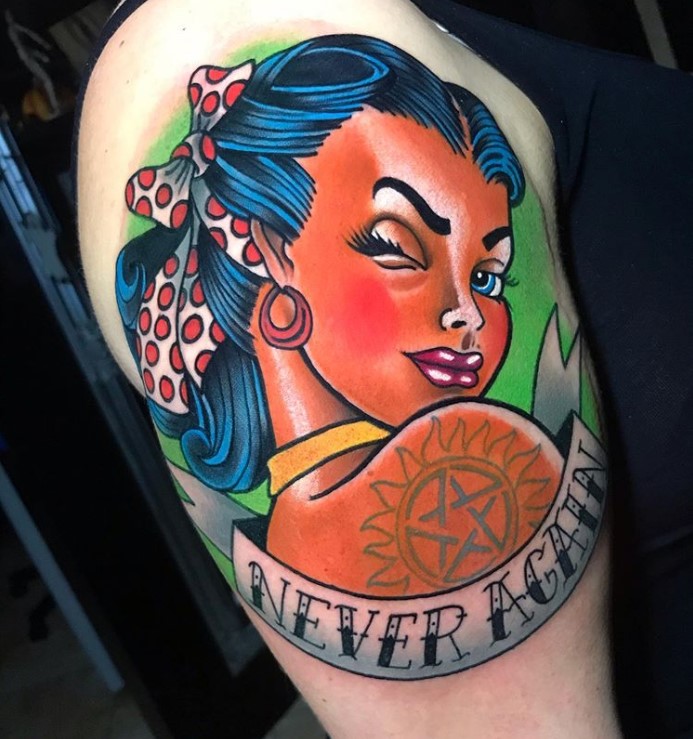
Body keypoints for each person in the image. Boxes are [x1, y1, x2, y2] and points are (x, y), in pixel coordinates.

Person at [82, 0, 693, 734]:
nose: (469, 312)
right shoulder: (220, 23)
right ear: (269, 258)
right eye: (398, 248)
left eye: (490, 276)